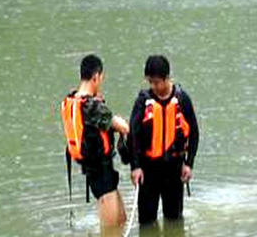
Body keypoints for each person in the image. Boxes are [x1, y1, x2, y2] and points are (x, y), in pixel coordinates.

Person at [128, 55, 199, 225]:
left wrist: (189, 164)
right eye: (150, 82)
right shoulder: (143, 101)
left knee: (174, 220)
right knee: (146, 222)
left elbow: (194, 133)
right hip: (148, 170)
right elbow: (133, 136)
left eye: (157, 82)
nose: (154, 86)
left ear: (167, 78)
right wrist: (135, 167)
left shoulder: (182, 100)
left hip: (174, 169)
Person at [61, 54, 130, 228]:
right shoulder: (92, 106)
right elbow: (124, 127)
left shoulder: (72, 99)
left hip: (97, 172)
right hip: (101, 175)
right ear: (96, 77)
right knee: (112, 231)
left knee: (121, 221)